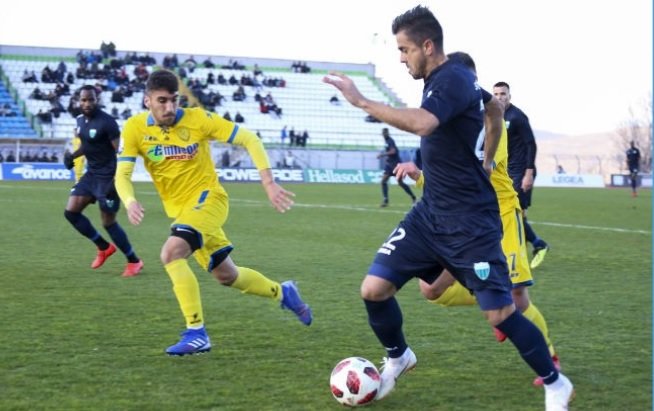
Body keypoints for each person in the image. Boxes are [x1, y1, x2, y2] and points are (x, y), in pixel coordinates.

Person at [323, 6, 573, 409]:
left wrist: (361, 101)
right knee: (373, 289)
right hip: (429, 215)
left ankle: (555, 382)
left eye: (404, 49)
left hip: (470, 224)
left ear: (427, 46)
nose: (400, 58)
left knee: (502, 314)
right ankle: (399, 356)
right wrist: (486, 159)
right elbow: (494, 110)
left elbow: (424, 123)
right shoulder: (453, 78)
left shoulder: (452, 78)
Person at [115, 69, 312, 356]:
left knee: (171, 253)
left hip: (210, 200)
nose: (169, 107)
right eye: (162, 101)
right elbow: (122, 174)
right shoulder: (134, 128)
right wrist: (130, 200)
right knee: (227, 275)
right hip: (184, 213)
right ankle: (284, 292)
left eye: (174, 100)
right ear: (148, 101)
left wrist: (268, 183)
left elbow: (250, 139)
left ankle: (196, 332)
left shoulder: (198, 119)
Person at [398, 50, 561, 388]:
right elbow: (451, 177)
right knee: (430, 289)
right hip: (467, 219)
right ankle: (496, 302)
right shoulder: (452, 119)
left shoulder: (489, 120)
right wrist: (420, 175)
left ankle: (550, 361)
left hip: (501, 217)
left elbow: (472, 174)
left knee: (518, 297)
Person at [63, 85, 143, 277]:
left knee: (108, 223)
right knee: (71, 212)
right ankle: (104, 247)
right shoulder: (80, 120)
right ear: (79, 101)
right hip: (91, 175)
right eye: (83, 100)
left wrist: (117, 179)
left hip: (109, 177)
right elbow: (87, 145)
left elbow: (120, 152)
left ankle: (134, 261)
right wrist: (73, 156)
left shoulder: (108, 122)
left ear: (96, 100)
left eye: (90, 99)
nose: (87, 103)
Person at [493, 81, 549, 269]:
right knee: (514, 214)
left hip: (521, 171)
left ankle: (537, 244)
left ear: (509, 96)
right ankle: (523, 250)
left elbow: (531, 144)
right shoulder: (494, 116)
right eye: (496, 94)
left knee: (512, 213)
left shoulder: (517, 116)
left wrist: (529, 173)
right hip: (506, 173)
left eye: (503, 94)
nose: (500, 97)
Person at [377, 127, 416, 207]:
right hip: (389, 165)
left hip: (395, 164)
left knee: (400, 182)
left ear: (387, 133)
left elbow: (393, 151)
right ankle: (385, 200)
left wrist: (382, 155)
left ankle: (413, 197)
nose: (384, 134)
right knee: (383, 181)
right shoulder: (386, 141)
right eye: (383, 133)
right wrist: (387, 158)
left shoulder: (390, 141)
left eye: (385, 133)